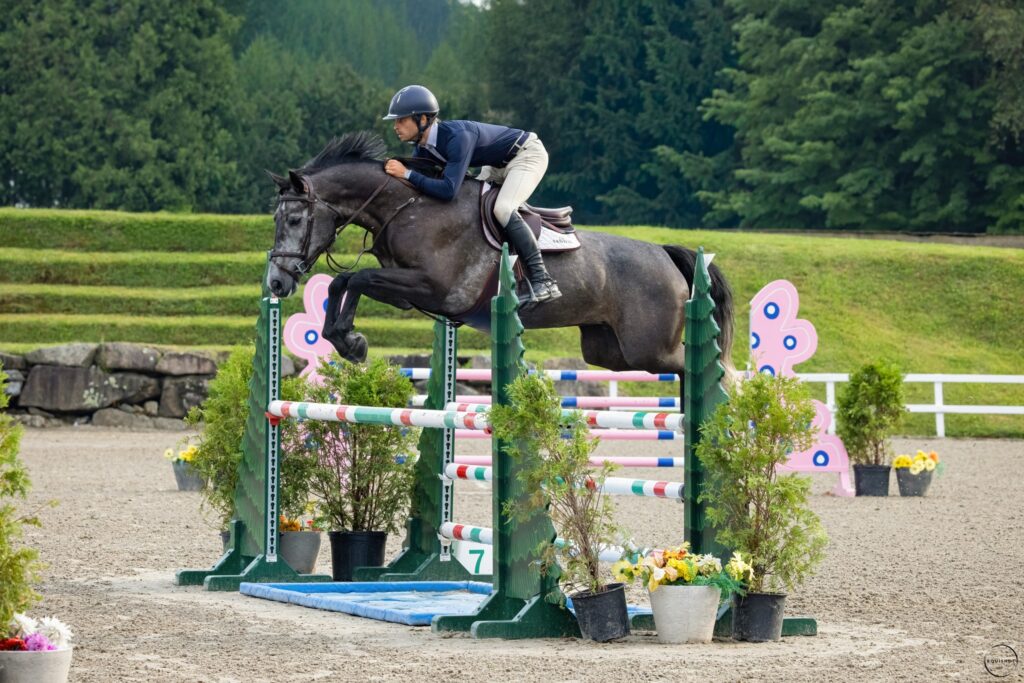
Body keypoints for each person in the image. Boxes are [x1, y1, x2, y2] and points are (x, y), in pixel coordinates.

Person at [382, 85, 561, 305]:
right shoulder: (423, 148)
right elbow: (424, 185)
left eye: (401, 120)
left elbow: (448, 190)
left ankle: (543, 279)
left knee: (503, 209)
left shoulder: (457, 137)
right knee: (471, 204)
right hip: (496, 166)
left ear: (423, 119)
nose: (395, 126)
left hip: (526, 155)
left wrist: (407, 173)